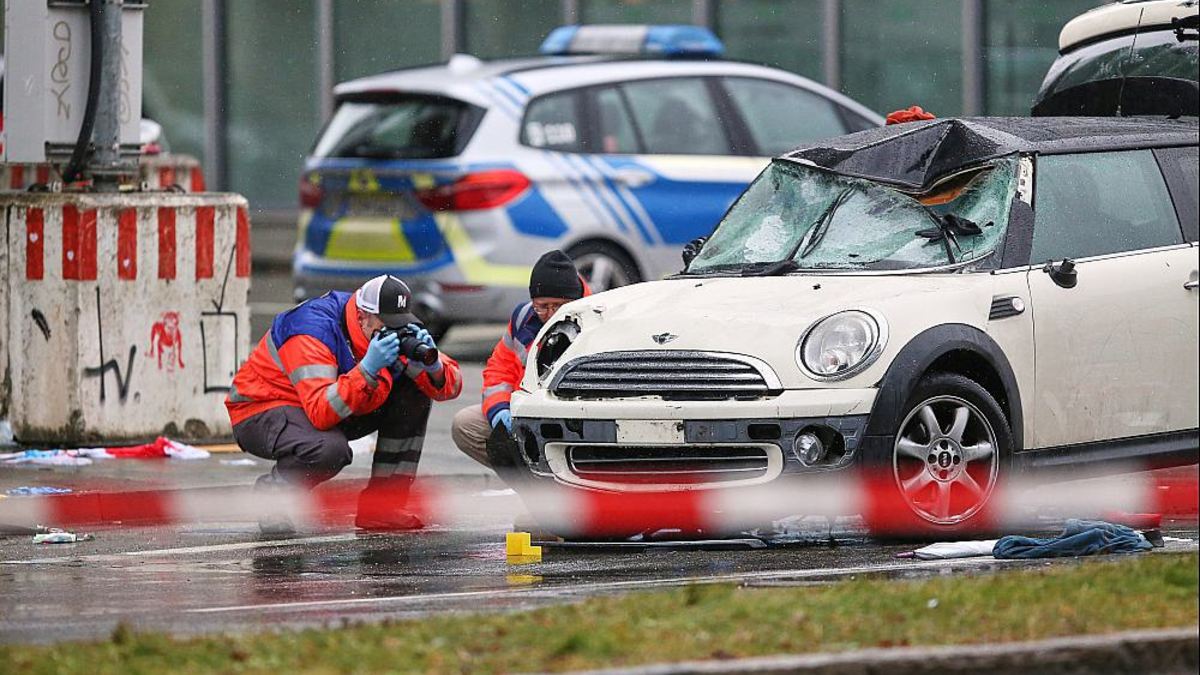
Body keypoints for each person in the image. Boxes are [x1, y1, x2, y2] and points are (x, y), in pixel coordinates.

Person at [226, 274, 462, 532]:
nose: (394, 332)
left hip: (325, 406)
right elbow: (321, 412)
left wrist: (434, 367)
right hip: (260, 409)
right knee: (329, 449)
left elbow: (449, 389)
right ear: (362, 316)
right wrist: (368, 368)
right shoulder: (312, 328)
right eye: (387, 324)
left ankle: (382, 506)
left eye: (401, 324)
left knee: (415, 390)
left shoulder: (379, 331)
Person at [451, 250, 587, 466]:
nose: (551, 315)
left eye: (559, 306)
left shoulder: (597, 319)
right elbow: (499, 370)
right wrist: (499, 411)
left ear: (574, 301)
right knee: (466, 424)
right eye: (542, 306)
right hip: (527, 412)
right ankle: (528, 488)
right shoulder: (523, 319)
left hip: (577, 420)